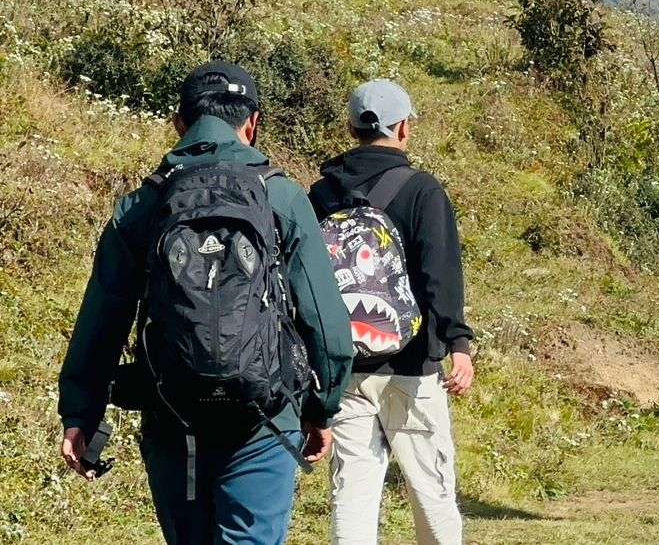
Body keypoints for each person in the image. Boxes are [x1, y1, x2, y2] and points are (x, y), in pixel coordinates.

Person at [58, 61, 354, 545]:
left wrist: (80, 414)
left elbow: (102, 317)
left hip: (172, 416)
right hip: (263, 420)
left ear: (180, 123)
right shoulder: (281, 196)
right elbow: (326, 321)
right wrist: (322, 407)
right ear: (252, 124)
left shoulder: (141, 206)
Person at [309, 79, 475, 545]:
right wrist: (458, 343)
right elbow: (439, 273)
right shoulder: (422, 190)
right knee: (431, 488)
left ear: (351, 127)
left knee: (353, 491)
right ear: (403, 127)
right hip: (411, 365)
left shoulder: (320, 194)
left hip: (344, 365)